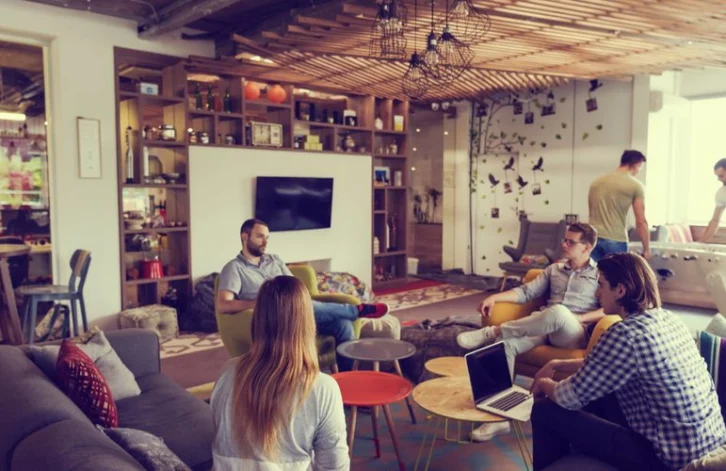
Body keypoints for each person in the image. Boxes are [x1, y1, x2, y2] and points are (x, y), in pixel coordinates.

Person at [530, 252, 726, 471]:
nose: (597, 293)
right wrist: (557, 364)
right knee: (600, 392)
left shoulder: (625, 334)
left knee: (544, 410)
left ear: (620, 290)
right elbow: (603, 366)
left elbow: (567, 397)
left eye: (601, 285)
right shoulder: (669, 319)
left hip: (666, 460)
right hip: (708, 443)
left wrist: (544, 382)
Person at [456, 222, 603, 441]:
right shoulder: (554, 269)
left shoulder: (600, 274)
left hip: (572, 333)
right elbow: (526, 292)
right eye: (564, 240)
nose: (564, 245)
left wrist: (581, 318)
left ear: (587, 247)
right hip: (543, 327)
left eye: (570, 242)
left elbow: (607, 308)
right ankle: (498, 418)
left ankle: (494, 331)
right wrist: (494, 297)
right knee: (504, 346)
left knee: (559, 312)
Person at [211, 276, 349, 470]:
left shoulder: (227, 371)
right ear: (308, 323)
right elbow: (335, 467)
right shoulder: (323, 388)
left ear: (258, 319)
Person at [217, 218, 389, 369]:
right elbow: (223, 304)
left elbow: (294, 284)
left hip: (296, 308)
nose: (265, 242)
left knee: (343, 326)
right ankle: (356, 310)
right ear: (245, 237)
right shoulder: (234, 268)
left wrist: (299, 296)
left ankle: (346, 378)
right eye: (260, 237)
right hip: (273, 317)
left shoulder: (274, 260)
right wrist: (256, 303)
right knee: (301, 305)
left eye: (267, 238)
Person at [588, 149, 650, 261]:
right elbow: (641, 221)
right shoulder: (635, 185)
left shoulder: (596, 182)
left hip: (592, 238)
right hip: (615, 240)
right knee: (618, 272)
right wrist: (646, 249)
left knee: (593, 272)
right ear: (636, 164)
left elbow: (591, 209)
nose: (638, 171)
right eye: (640, 167)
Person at [698, 158, 726, 243]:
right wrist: (701, 242)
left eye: (721, 176)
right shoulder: (721, 193)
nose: (718, 179)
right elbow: (715, 220)